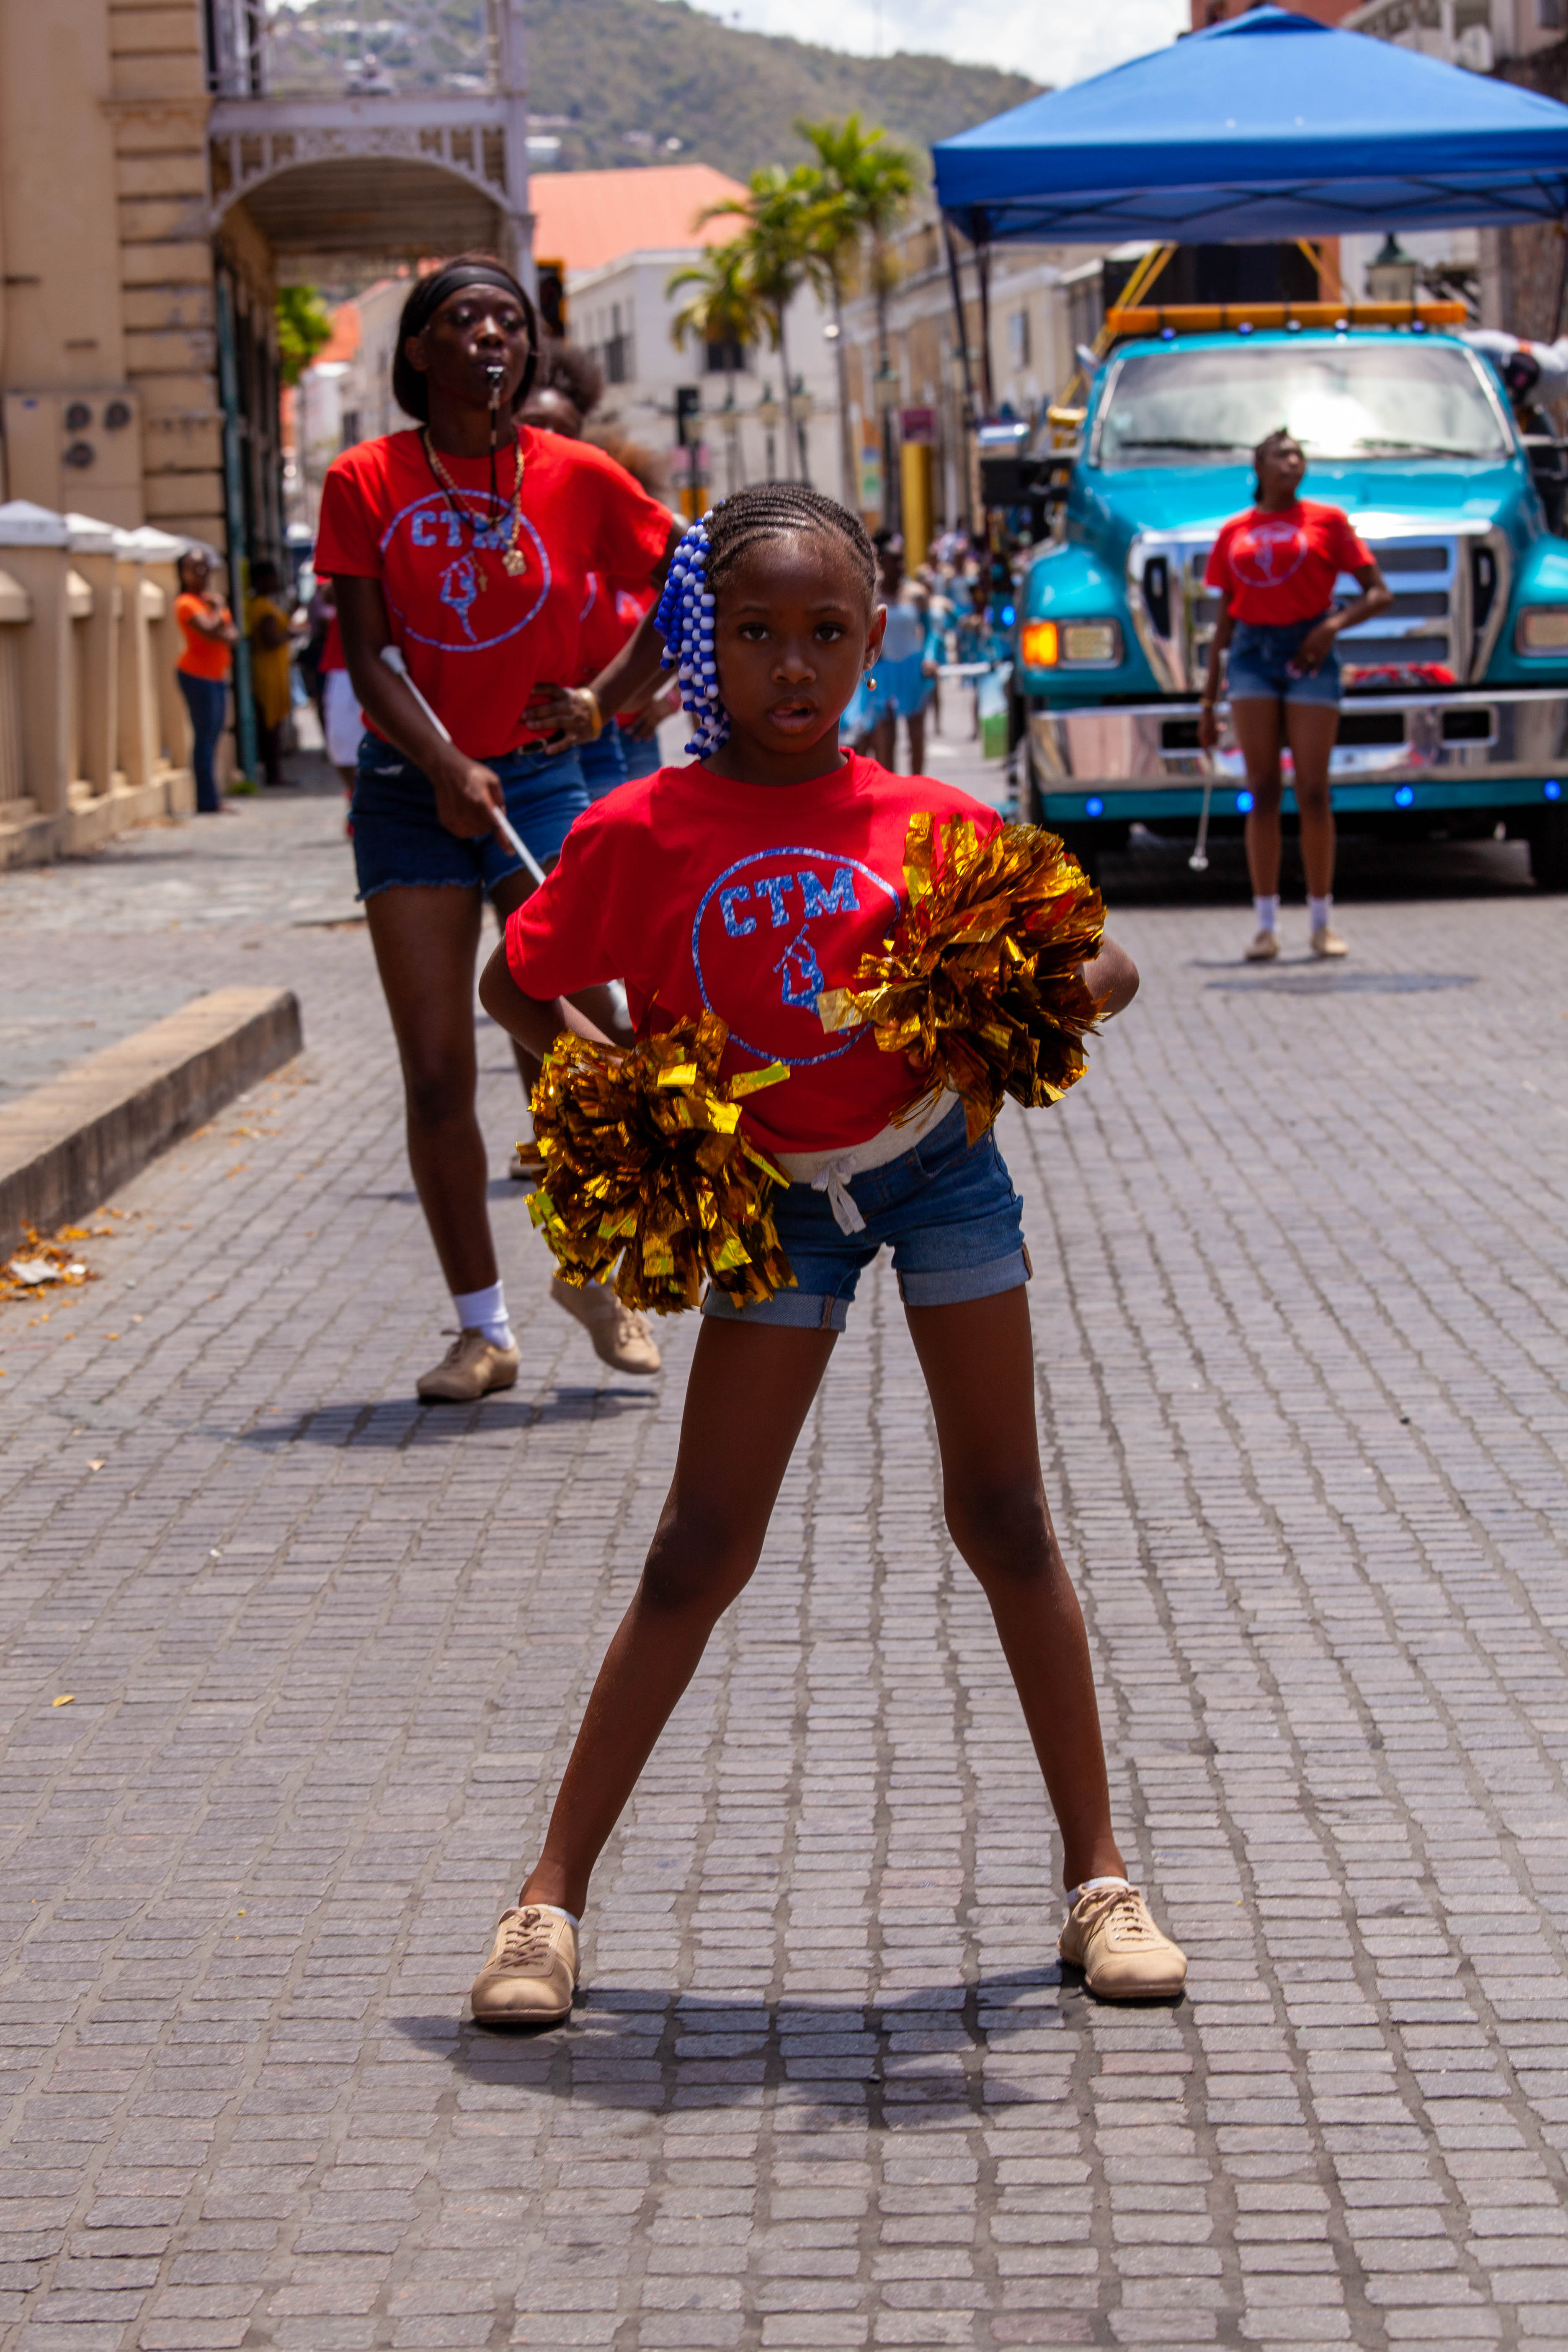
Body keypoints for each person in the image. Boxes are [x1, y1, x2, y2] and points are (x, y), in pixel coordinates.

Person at [467, 482, 1189, 2025]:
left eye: (824, 634)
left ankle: (1101, 1877)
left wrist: (1030, 1017)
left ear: (873, 639)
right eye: (753, 633)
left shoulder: (931, 827)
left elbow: (1103, 961)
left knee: (1004, 1513)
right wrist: (624, 1087)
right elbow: (513, 980)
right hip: (772, 1205)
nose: (790, 667)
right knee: (695, 1547)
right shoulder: (636, 829)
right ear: (701, 644)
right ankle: (545, 1900)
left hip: (937, 1177)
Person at [315, 254, 686, 1400]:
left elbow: (694, 577)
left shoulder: (575, 474)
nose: (492, 335)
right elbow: (369, 656)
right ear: (418, 352)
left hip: (538, 783)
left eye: (510, 322)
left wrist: (605, 700)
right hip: (404, 793)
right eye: (464, 319)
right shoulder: (365, 478)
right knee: (436, 1075)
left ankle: (593, 1271)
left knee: (564, 1031)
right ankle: (482, 1329)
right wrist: (439, 764)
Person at [1199, 431, 1392, 962]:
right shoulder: (1235, 531)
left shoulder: (1327, 521)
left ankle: (1322, 920)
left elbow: (1379, 592)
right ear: (1257, 465)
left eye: (1299, 454)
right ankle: (1265, 925)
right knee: (1261, 789)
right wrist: (1207, 704)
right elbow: (1223, 624)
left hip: (1310, 651)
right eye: (1281, 454)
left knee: (1312, 790)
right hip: (1251, 657)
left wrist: (1332, 627)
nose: (1293, 462)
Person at [866, 531, 938, 774]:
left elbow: (931, 633)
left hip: (912, 667)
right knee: (886, 739)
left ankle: (917, 789)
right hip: (885, 669)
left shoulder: (916, 594)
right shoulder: (871, 595)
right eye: (893, 560)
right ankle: (890, 794)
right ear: (881, 562)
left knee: (917, 737)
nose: (899, 566)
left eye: (901, 560)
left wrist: (929, 658)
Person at [173, 549, 237, 815]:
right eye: (194, 568)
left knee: (214, 736)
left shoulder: (208, 603)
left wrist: (219, 617)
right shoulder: (187, 603)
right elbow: (212, 632)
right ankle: (206, 800)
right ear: (184, 573)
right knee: (205, 738)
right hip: (196, 677)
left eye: (204, 567)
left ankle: (212, 796)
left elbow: (233, 636)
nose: (201, 573)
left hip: (216, 677)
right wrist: (219, 611)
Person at [246, 559, 294, 789]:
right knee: (271, 725)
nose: (276, 581)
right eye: (272, 577)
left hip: (271, 669)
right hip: (268, 671)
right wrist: (291, 635)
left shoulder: (261, 604)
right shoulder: (264, 609)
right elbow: (270, 640)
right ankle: (274, 774)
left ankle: (274, 772)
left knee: (271, 723)